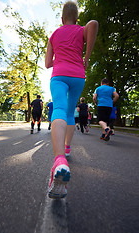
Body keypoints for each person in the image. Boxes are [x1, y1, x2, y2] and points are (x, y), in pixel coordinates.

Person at [45, 1, 98, 199]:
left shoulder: (54, 34)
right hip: (78, 76)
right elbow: (93, 24)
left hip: (59, 75)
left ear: (61, 18)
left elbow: (47, 63)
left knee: (58, 108)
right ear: (77, 18)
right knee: (69, 112)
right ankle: (67, 148)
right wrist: (86, 56)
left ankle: (59, 160)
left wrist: (58, 55)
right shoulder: (81, 30)